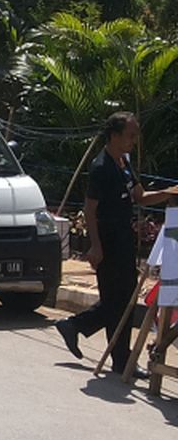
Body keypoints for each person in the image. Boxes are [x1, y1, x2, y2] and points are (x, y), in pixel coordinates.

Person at [54, 112, 175, 376]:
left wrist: (168, 194)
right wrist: (95, 246)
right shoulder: (101, 168)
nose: (134, 141)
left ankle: (110, 352)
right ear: (115, 135)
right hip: (107, 241)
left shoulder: (124, 163)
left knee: (124, 299)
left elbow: (140, 197)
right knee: (115, 301)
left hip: (124, 240)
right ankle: (97, 342)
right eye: (130, 136)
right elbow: (89, 209)